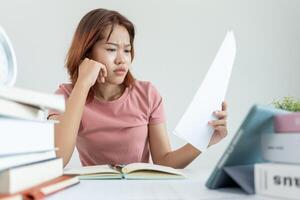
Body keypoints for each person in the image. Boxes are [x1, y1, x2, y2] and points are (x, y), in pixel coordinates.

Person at [48, 8, 228, 168]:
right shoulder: (65, 96)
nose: (122, 60)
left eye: (126, 50)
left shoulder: (147, 94)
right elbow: (59, 159)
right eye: (111, 49)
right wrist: (83, 83)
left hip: (141, 190)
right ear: (87, 53)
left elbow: (165, 161)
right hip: (94, 191)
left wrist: (203, 141)